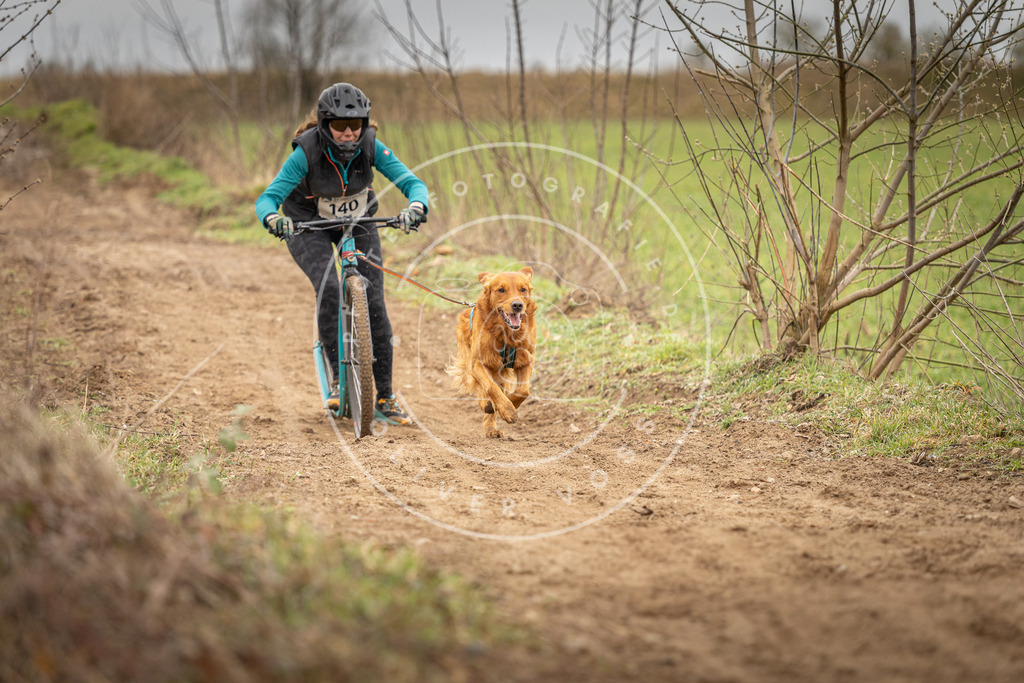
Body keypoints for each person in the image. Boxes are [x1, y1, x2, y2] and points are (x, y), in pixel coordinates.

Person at [255, 82, 428, 425]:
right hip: (307, 224)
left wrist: (416, 206)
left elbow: (413, 184)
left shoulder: (371, 146)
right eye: (339, 125)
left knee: (375, 301)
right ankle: (337, 379)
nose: (349, 133)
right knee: (330, 290)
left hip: (360, 220)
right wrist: (274, 218)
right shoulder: (305, 153)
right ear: (324, 124)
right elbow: (267, 198)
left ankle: (386, 396)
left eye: (357, 124)